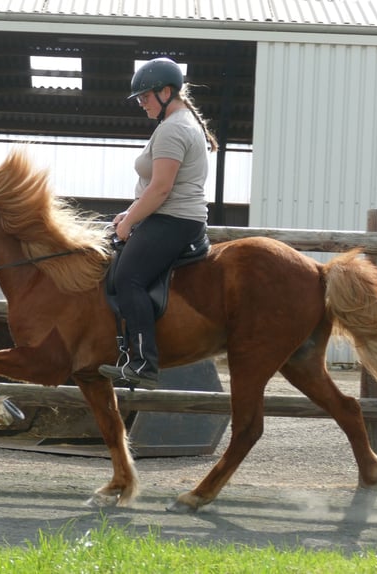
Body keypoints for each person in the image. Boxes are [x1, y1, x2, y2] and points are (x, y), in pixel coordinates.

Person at [98, 57, 218, 389]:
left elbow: (161, 188)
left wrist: (128, 223)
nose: (141, 103)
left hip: (174, 219)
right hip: (169, 216)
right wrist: (129, 213)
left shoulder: (175, 129)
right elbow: (155, 189)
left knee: (129, 278)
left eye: (145, 96)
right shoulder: (177, 124)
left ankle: (143, 362)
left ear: (166, 92)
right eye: (139, 98)